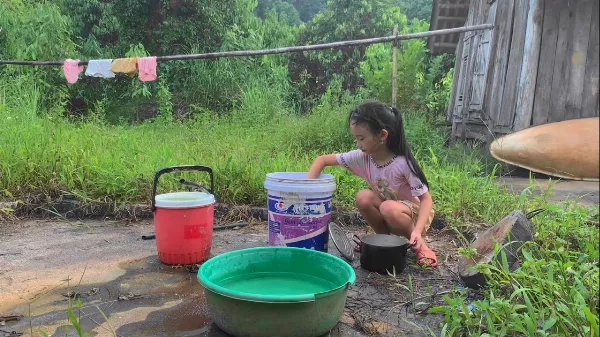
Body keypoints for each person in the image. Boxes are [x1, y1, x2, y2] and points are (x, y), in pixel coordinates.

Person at [307, 100, 438, 267]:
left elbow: (426, 200)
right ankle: (384, 242)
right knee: (363, 197)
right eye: (356, 138)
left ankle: (421, 247)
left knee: (388, 207)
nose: (357, 143)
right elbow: (322, 160)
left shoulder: (402, 163)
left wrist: (418, 231)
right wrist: (307, 190)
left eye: (361, 138)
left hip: (415, 214)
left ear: (382, 135)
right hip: (389, 208)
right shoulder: (363, 157)